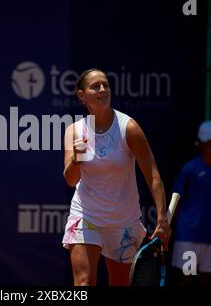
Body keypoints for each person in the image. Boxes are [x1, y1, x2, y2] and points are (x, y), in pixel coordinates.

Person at [62, 68, 171, 286]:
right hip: (86, 214)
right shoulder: (74, 131)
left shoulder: (128, 128)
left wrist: (162, 219)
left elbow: (153, 176)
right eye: (95, 86)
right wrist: (77, 159)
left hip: (123, 220)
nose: (103, 89)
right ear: (82, 96)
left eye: (106, 85)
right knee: (83, 282)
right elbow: (71, 180)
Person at [170, 120, 211, 287]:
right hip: (189, 239)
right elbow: (176, 199)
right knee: (187, 280)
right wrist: (176, 227)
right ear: (201, 145)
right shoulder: (190, 169)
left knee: (206, 282)